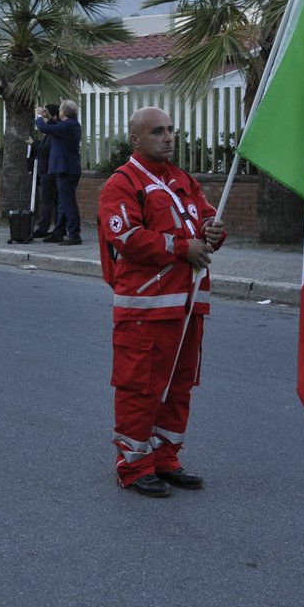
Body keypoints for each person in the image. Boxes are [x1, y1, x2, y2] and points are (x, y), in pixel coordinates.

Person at [97, 106, 225, 497]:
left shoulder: (184, 180)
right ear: (136, 139)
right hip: (145, 310)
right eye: (158, 131)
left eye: (170, 130)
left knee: (179, 385)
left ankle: (166, 457)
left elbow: (204, 223)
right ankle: (133, 466)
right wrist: (183, 246)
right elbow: (128, 238)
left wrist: (214, 231)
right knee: (141, 387)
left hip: (188, 306)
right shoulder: (121, 183)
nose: (168, 137)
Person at [41, 99, 84, 244]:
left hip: (66, 168)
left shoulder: (69, 125)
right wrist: (48, 118)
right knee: (64, 203)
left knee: (68, 203)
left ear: (64, 112)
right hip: (66, 168)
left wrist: (39, 118)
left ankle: (74, 234)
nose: (59, 112)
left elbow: (46, 128)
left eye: (60, 110)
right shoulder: (69, 125)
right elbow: (56, 126)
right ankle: (59, 232)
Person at [30, 104, 60, 240]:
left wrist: (34, 144)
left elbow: (46, 148)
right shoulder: (54, 129)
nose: (44, 113)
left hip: (48, 169)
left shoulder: (54, 129)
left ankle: (44, 227)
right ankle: (58, 228)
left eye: (46, 111)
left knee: (47, 199)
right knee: (53, 200)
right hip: (48, 168)